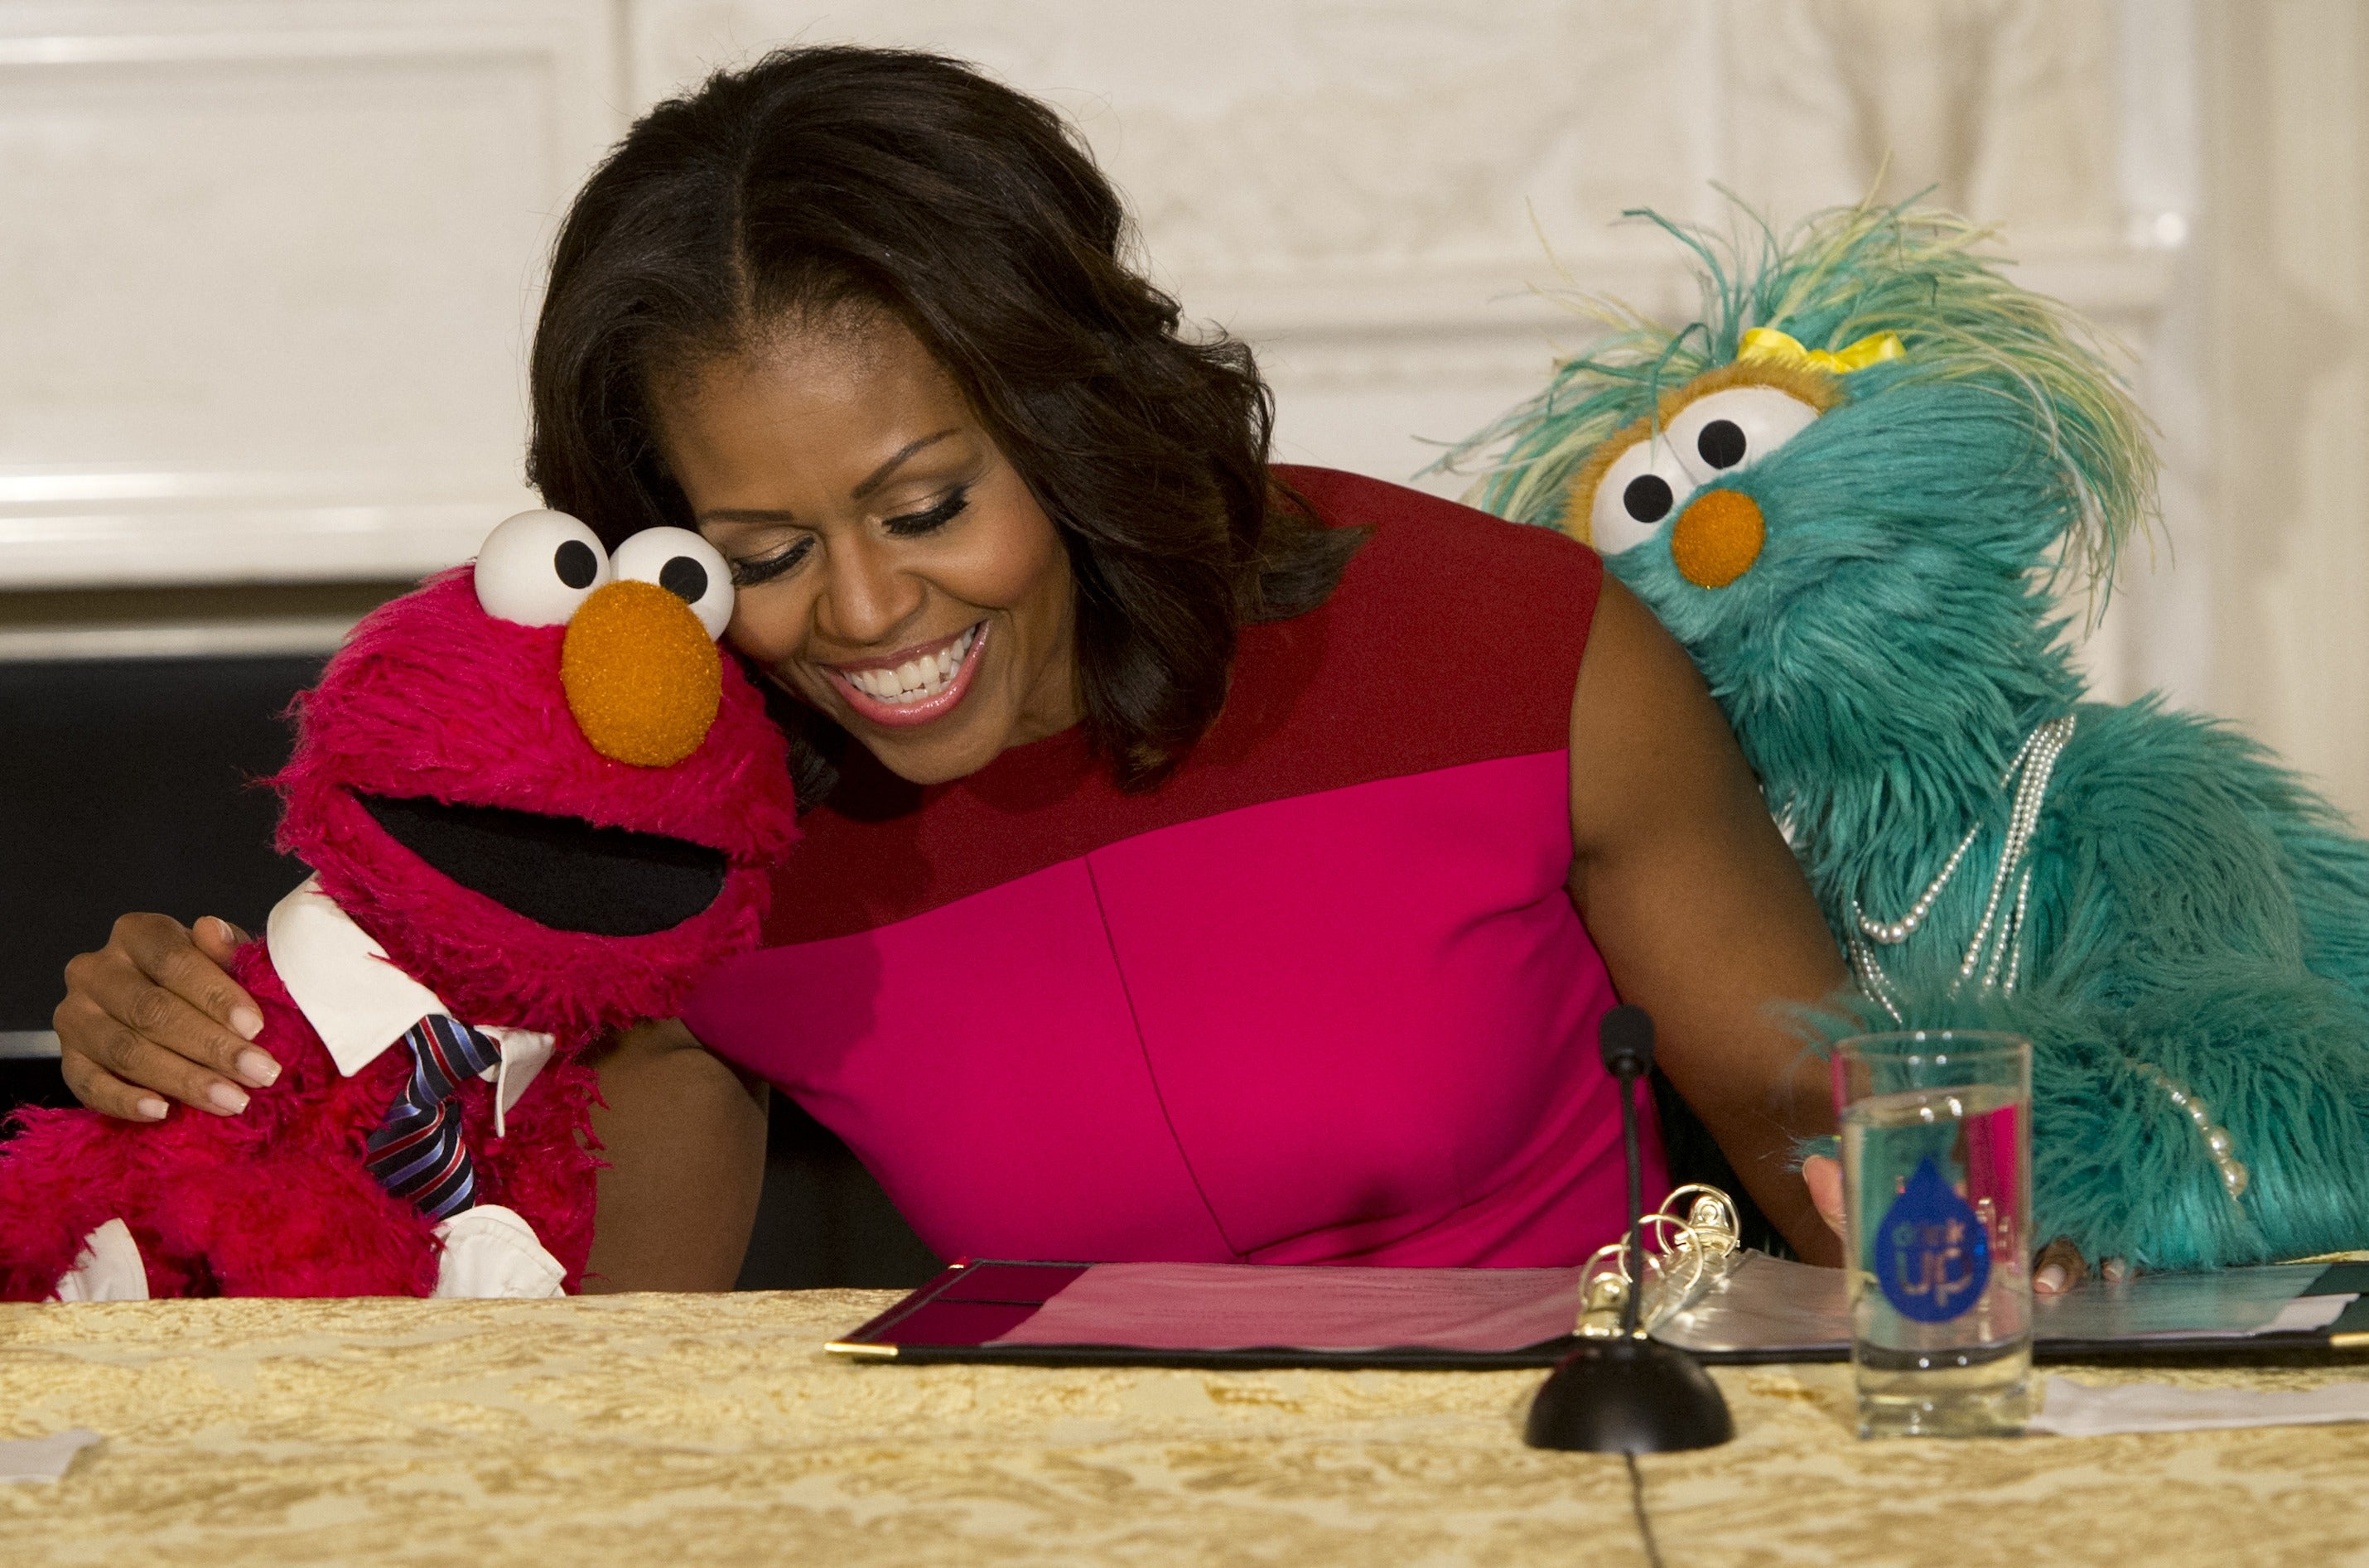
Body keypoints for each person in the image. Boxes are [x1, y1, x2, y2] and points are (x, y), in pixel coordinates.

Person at [46, 46, 1846, 1290]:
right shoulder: (693, 826)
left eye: (925, 504)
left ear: (1060, 419)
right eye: (757, 554)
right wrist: (176, 1031)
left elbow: (1843, 1159)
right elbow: (581, 1351)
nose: (859, 615)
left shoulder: (1505, 652)